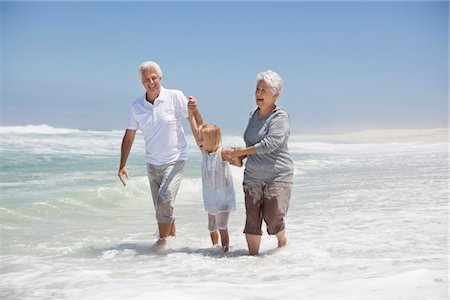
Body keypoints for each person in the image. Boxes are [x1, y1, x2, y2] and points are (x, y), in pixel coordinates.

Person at [118, 61, 202, 247]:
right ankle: (171, 249)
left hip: (175, 159)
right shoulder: (137, 106)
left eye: (153, 78)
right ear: (142, 83)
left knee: (164, 200)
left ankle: (161, 243)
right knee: (161, 208)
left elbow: (196, 121)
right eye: (146, 79)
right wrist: (122, 164)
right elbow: (129, 136)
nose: (150, 82)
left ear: (160, 78)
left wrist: (195, 110)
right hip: (152, 162)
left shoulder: (175, 96)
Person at [225, 70, 294, 256]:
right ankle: (252, 260)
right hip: (252, 176)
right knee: (252, 218)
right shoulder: (252, 115)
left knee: (272, 217)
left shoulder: (280, 117)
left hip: (278, 176)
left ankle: (282, 240)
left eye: (264, 90)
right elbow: (251, 144)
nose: (259, 93)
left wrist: (242, 152)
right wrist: (237, 157)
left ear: (276, 94)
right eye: (257, 89)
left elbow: (270, 144)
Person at [187, 97, 242, 253]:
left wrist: (237, 158)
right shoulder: (205, 152)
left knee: (222, 226)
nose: (198, 141)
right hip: (211, 197)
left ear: (211, 140)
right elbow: (194, 128)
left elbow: (238, 162)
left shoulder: (222, 153)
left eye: (201, 139)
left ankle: (225, 251)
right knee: (212, 226)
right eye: (198, 139)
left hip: (224, 197)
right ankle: (215, 248)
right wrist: (190, 114)